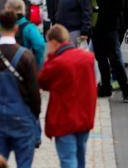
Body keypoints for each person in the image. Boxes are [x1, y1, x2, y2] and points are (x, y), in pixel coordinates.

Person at [0, 9, 41, 168]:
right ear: (16, 28)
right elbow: (34, 92)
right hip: (22, 116)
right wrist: (34, 115)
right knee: (24, 163)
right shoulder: (26, 56)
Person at [39, 23, 97, 168]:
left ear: (53, 42)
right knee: (80, 157)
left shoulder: (57, 62)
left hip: (64, 119)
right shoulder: (87, 58)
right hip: (84, 117)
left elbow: (42, 81)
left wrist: (50, 57)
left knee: (68, 160)